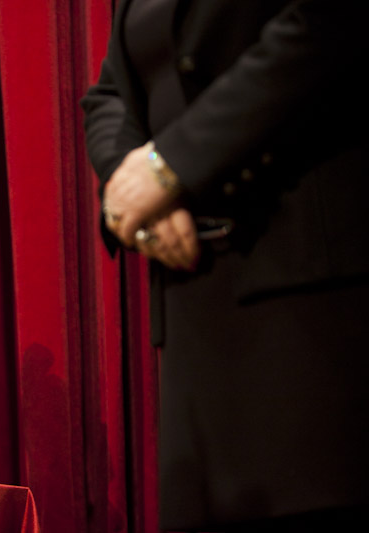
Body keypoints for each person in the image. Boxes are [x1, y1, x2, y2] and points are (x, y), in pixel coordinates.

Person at [82, 1, 369, 531]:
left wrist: (172, 167)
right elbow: (110, 94)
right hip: (197, 303)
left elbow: (330, 23)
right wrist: (130, 186)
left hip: (308, 292)